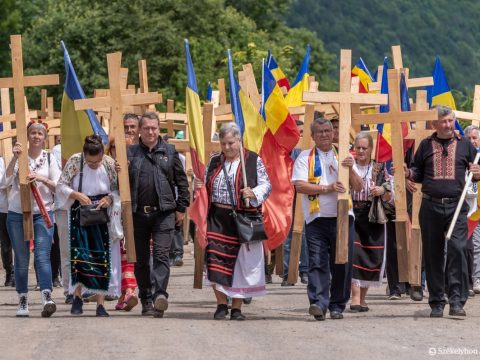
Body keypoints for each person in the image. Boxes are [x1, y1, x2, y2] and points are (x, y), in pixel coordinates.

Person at [405, 105, 480, 317]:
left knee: (457, 250)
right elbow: (417, 171)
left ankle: (457, 301)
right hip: (430, 206)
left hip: (457, 206)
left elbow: (476, 168)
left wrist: (477, 172)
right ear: (434, 124)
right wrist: (408, 172)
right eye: (443, 121)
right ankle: (437, 301)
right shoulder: (426, 145)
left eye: (450, 120)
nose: (448, 125)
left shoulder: (465, 144)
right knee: (433, 254)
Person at [194, 122, 271, 320]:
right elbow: (204, 185)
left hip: (242, 219)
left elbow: (267, 185)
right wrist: (198, 186)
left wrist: (253, 192)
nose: (227, 148)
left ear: (239, 140)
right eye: (223, 144)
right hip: (217, 218)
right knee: (214, 260)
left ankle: (237, 307)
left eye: (231, 143)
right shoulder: (214, 161)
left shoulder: (253, 160)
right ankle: (221, 304)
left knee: (241, 264)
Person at [292, 116, 363, 320]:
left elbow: (358, 187)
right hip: (316, 218)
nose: (324, 134)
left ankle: (337, 304)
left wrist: (349, 169)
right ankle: (318, 303)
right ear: (312, 136)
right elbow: (300, 186)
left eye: (328, 131)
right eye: (320, 132)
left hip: (342, 217)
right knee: (317, 261)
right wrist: (327, 188)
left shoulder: (343, 155)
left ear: (334, 133)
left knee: (342, 262)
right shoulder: (304, 157)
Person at [127, 112, 189, 317]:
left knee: (162, 255)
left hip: (164, 213)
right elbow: (120, 184)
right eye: (146, 128)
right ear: (140, 130)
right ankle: (146, 298)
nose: (151, 132)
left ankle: (160, 295)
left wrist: (181, 208)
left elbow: (182, 182)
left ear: (158, 129)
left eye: (154, 128)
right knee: (141, 259)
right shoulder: (130, 153)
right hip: (137, 214)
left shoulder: (170, 152)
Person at [56, 135, 122, 317]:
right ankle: (77, 297)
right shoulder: (75, 161)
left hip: (102, 214)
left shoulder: (109, 163)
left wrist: (110, 198)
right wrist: (76, 194)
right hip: (80, 213)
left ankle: (100, 303)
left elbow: (119, 188)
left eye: (97, 161)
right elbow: (60, 186)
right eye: (91, 162)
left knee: (102, 257)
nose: (94, 164)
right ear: (85, 155)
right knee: (80, 256)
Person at [2, 120, 61, 317]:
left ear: (45, 137)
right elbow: (5, 181)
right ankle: (22, 298)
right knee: (21, 258)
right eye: (33, 133)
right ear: (27, 136)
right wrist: (14, 158)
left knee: (42, 255)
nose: (36, 136)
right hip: (18, 213)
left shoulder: (50, 158)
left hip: (42, 212)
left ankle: (46, 295)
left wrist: (41, 178)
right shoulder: (19, 156)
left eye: (40, 133)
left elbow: (58, 186)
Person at [350, 132, 392, 311]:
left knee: (371, 256)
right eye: (357, 147)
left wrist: (382, 190)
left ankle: (363, 298)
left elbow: (391, 193)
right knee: (354, 254)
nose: (360, 151)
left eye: (364, 148)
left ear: (371, 149)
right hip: (352, 213)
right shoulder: (348, 166)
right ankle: (355, 298)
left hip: (373, 215)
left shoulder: (379, 168)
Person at [464, 125, 480, 296]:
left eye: (474, 138)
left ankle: (476, 277)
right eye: (468, 138)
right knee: (471, 246)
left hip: (479, 207)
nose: (472, 141)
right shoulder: (461, 157)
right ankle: (472, 279)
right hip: (468, 210)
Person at [0, 155, 14, 287]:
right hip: (3, 208)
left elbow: (4, 182)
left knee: (21, 244)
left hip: (17, 207)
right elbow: (3, 183)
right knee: (5, 245)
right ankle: (10, 272)